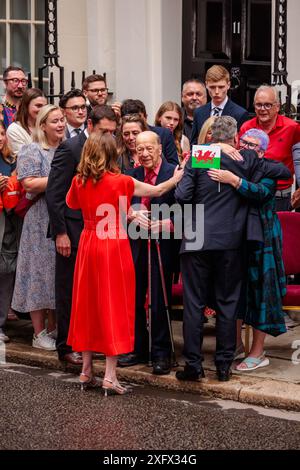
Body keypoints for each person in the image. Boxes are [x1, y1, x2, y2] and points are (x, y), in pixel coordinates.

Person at [175, 116, 291, 382]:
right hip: (230, 240)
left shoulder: (201, 157)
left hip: (197, 237)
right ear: (235, 137)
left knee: (194, 304)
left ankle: (194, 366)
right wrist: (235, 153)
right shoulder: (245, 159)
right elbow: (284, 173)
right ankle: (224, 365)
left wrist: (207, 155)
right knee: (228, 303)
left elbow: (181, 196)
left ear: (211, 136)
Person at [65, 131, 183, 393]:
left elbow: (72, 204)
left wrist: (124, 212)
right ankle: (110, 376)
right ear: (111, 154)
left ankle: (86, 371)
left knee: (87, 305)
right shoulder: (121, 181)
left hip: (88, 242)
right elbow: (158, 189)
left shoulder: (78, 181)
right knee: (114, 306)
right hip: (113, 244)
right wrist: (177, 176)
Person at [208, 128, 287, 370]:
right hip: (237, 236)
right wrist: (216, 147)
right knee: (235, 291)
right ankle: (235, 345)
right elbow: (193, 158)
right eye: (243, 143)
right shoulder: (230, 159)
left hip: (263, 237)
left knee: (261, 293)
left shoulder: (267, 168)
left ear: (262, 151)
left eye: (252, 146)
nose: (246, 149)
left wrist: (235, 181)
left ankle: (258, 352)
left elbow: (262, 192)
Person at [46, 105, 118, 366]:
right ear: (90, 125)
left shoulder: (111, 148)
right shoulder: (70, 148)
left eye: (112, 131)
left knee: (91, 292)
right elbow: (55, 195)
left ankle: (88, 343)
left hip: (100, 232)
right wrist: (60, 233)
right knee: (68, 289)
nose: (109, 136)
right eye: (103, 131)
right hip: (73, 232)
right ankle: (66, 346)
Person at [117, 131, 177, 375]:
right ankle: (137, 348)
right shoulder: (131, 175)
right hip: (136, 243)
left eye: (149, 148)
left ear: (160, 148)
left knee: (159, 297)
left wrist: (169, 224)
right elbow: (118, 204)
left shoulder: (173, 173)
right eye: (139, 149)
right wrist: (131, 214)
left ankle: (162, 352)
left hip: (163, 243)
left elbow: (189, 206)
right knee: (134, 296)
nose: (144, 153)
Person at [11, 105, 65, 350]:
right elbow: (30, 184)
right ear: (42, 125)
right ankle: (38, 332)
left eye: (62, 120)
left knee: (56, 273)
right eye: (55, 121)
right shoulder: (31, 149)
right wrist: (61, 178)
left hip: (61, 215)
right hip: (39, 217)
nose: (61, 124)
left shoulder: (66, 148)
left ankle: (54, 329)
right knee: (37, 274)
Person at [239, 85, 300, 211]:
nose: (262, 109)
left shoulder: (292, 128)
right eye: (258, 105)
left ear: (277, 107)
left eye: (267, 105)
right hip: (251, 193)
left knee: (279, 230)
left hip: (280, 197)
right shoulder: (247, 127)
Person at [0, 121, 22, 342]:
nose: (0, 137)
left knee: (7, 269)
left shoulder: (11, 160)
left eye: (2, 133)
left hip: (9, 220)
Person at [191, 65, 249, 145]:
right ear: (206, 85)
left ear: (228, 85)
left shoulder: (240, 114)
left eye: (221, 87)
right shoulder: (199, 112)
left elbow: (242, 145)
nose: (217, 91)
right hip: (203, 157)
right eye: (212, 87)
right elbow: (194, 143)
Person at [120, 99, 179, 166]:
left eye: (135, 133)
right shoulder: (119, 153)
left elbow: (174, 168)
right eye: (126, 134)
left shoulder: (160, 142)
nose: (172, 122)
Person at [6, 88, 47, 159]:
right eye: (38, 106)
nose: (42, 110)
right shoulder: (15, 130)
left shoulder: (48, 126)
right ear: (26, 106)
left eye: (45, 106)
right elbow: (24, 159)